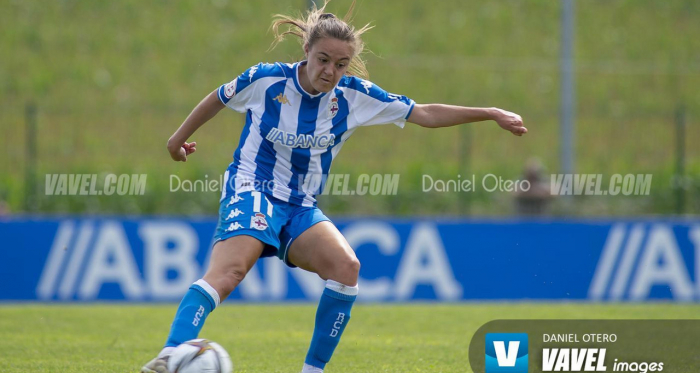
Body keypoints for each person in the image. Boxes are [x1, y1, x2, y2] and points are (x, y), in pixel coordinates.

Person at [141, 2, 526, 373]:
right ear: (306, 50)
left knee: (346, 267)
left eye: (340, 64)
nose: (330, 71)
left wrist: (490, 113)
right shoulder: (266, 79)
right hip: (251, 187)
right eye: (323, 59)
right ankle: (170, 356)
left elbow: (424, 113)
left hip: (299, 203)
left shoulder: (354, 96)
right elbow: (219, 98)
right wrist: (177, 141)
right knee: (229, 273)